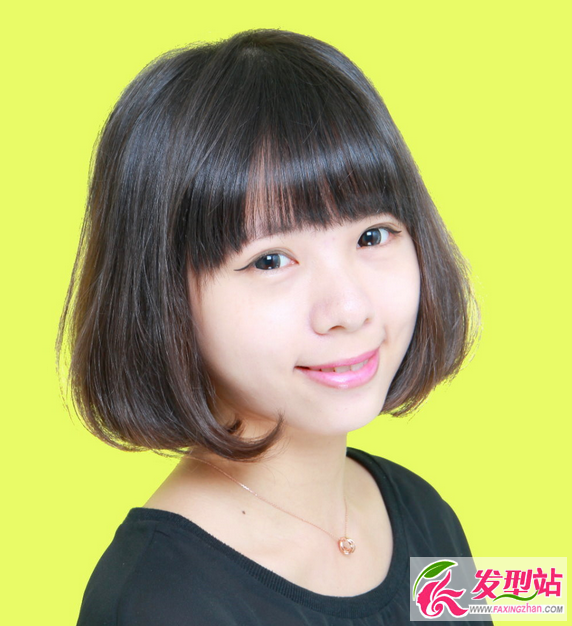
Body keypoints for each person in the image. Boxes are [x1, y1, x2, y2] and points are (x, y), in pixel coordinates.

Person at [58, 29, 487, 625]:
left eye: (372, 235)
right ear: (163, 297)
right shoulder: (160, 603)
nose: (349, 308)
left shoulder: (421, 512)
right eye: (270, 261)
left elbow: (525, 595)